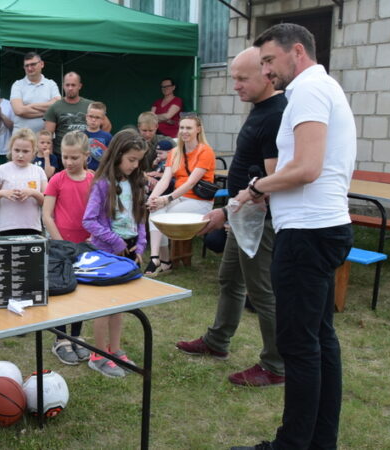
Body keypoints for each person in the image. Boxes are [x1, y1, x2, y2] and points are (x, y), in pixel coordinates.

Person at [230, 24, 356, 450]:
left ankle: (292, 445)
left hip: (307, 234)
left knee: (300, 346)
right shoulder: (323, 87)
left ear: (296, 51)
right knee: (320, 340)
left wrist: (255, 188)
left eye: (268, 61)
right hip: (322, 227)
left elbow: (306, 168)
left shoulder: (306, 90)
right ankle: (319, 442)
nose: (266, 71)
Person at [176, 47, 287, 388]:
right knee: (230, 281)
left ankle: (276, 364)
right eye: (233, 77)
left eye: (242, 78)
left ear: (267, 74)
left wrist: (227, 210)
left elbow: (270, 181)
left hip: (259, 222)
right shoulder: (260, 109)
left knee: (262, 292)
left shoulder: (275, 114)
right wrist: (230, 211)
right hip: (242, 216)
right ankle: (217, 341)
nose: (235, 85)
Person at [82, 129, 149, 377]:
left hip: (129, 251)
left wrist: (139, 247)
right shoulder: (102, 185)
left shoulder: (135, 183)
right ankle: (98, 354)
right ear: (118, 154)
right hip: (107, 252)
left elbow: (140, 219)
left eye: (139, 160)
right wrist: (115, 241)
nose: (135, 164)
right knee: (104, 305)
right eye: (131, 159)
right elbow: (88, 221)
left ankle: (115, 349)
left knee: (119, 305)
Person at [42, 131, 94, 365]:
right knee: (61, 290)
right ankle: (60, 339)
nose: (69, 162)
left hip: (85, 246)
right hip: (60, 247)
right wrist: (60, 242)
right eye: (65, 157)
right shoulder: (57, 180)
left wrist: (93, 236)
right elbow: (46, 214)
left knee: (80, 291)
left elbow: (99, 211)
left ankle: (76, 336)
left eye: (74, 158)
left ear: (86, 156)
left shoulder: (93, 179)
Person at [145, 115, 216, 276]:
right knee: (155, 210)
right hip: (178, 198)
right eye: (182, 127)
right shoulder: (175, 152)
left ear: (198, 130)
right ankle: (158, 259)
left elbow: (191, 183)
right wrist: (153, 198)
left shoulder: (205, 151)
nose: (184, 131)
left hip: (199, 200)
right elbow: (164, 180)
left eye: (189, 128)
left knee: (163, 215)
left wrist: (167, 198)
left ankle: (163, 262)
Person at [0, 128, 47, 236]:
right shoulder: (2, 169)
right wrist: (2, 193)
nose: (20, 155)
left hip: (32, 227)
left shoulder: (38, 171)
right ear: (11, 149)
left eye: (25, 151)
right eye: (17, 150)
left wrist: (33, 193)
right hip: (7, 227)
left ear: (34, 152)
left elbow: (47, 202)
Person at [44, 72, 112, 160]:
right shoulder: (55, 107)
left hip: (87, 156)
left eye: (73, 85)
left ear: (79, 86)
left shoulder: (90, 105)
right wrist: (50, 157)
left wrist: (96, 143)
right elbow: (47, 135)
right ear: (63, 86)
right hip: (62, 156)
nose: (70, 88)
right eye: (67, 85)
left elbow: (107, 125)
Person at [10, 52, 60, 137]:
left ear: (41, 64)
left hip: (44, 140)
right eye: (26, 65)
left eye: (33, 64)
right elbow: (19, 110)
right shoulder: (17, 85)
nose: (29, 68)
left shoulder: (51, 84)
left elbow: (58, 105)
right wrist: (48, 113)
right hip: (21, 139)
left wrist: (30, 106)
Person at [83, 102, 112, 172]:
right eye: (91, 116)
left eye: (97, 117)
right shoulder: (80, 135)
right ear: (86, 117)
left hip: (101, 174)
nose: (93, 120)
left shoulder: (108, 136)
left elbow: (110, 158)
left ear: (102, 120)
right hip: (83, 173)